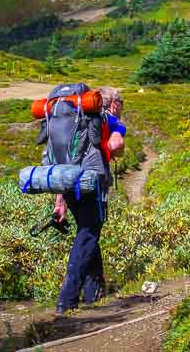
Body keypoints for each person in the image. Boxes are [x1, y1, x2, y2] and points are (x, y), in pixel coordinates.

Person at [53, 87, 125, 315]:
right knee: (88, 234)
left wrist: (60, 202)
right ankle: (67, 298)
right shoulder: (109, 120)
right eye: (121, 102)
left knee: (88, 230)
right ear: (113, 103)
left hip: (67, 185)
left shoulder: (74, 119)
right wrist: (108, 149)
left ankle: (94, 292)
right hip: (92, 184)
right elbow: (116, 145)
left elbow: (66, 162)